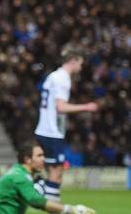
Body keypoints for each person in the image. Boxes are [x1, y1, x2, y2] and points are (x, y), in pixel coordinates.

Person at [34, 45, 98, 202]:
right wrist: (86, 106)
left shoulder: (53, 76)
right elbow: (60, 107)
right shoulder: (63, 78)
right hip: (52, 132)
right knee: (56, 174)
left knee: (54, 173)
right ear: (73, 61)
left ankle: (45, 197)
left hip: (45, 129)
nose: (81, 67)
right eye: (80, 63)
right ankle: (33, 191)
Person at [0, 142, 96, 214]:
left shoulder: (18, 173)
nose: (43, 159)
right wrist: (71, 209)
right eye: (39, 156)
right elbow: (35, 201)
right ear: (27, 159)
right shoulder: (19, 177)